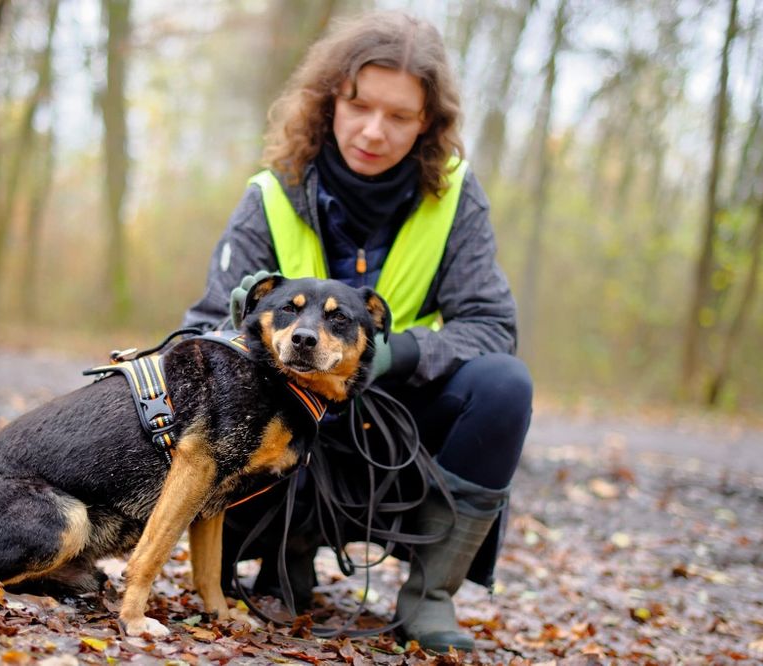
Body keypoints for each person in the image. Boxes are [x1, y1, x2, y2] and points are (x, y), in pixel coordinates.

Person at [182, 10, 532, 653]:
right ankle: (277, 558)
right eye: (359, 105)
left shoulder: (454, 199)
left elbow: (492, 325)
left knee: (505, 385)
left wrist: (394, 355)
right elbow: (206, 326)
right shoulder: (272, 193)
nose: (375, 131)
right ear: (329, 101)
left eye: (399, 116)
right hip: (287, 419)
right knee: (225, 392)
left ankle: (429, 598)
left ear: (428, 122)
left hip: (397, 421)